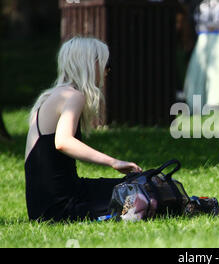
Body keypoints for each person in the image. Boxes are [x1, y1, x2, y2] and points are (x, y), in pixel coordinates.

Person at [24, 37, 142, 222]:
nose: (107, 70)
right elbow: (63, 142)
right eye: (105, 64)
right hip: (60, 208)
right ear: (90, 63)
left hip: (48, 203)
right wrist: (113, 162)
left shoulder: (51, 96)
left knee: (136, 184)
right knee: (139, 195)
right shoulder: (73, 96)